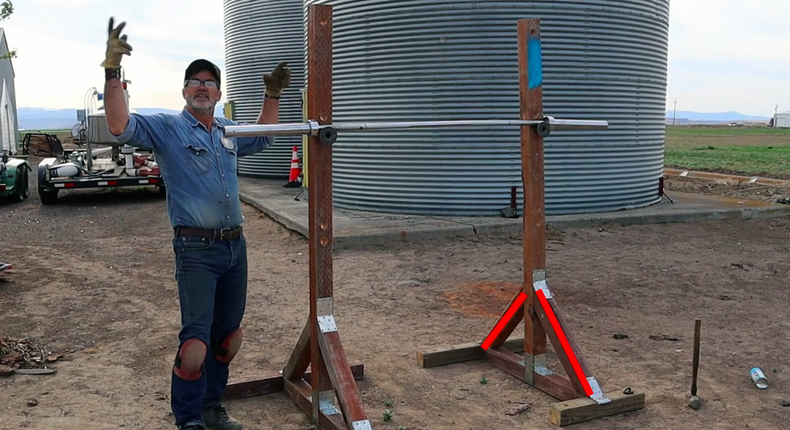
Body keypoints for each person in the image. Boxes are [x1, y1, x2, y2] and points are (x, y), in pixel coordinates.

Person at [100, 17, 291, 430]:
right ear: (185, 91)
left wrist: (271, 94)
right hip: (196, 250)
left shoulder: (227, 129)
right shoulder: (168, 128)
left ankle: (211, 406)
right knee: (195, 346)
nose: (202, 86)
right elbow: (119, 126)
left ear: (220, 93)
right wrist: (112, 71)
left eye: (210, 81)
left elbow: (267, 134)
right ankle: (189, 420)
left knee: (229, 339)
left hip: (234, 249)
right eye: (194, 81)